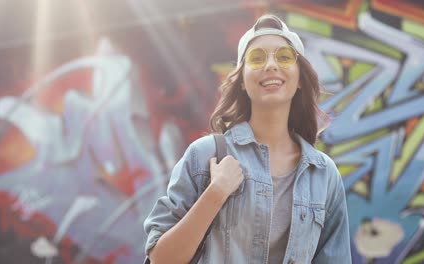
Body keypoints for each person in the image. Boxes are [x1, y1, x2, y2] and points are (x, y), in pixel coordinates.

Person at [143, 14, 352, 263]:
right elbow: (161, 259)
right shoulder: (206, 156)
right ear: (242, 80)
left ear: (299, 79)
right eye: (257, 58)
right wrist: (215, 193)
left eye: (284, 57)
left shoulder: (324, 175)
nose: (271, 65)